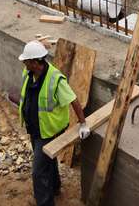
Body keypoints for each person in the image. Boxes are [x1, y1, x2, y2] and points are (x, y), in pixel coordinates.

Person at [18, 40, 90, 206]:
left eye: (26, 61)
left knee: (37, 172)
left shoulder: (55, 79)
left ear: (36, 63)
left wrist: (83, 124)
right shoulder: (28, 73)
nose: (24, 64)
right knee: (47, 161)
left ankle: (45, 202)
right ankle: (55, 187)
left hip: (49, 131)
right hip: (35, 128)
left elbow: (73, 100)